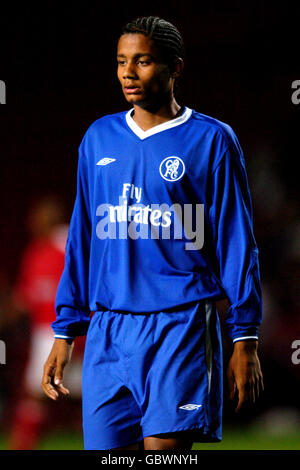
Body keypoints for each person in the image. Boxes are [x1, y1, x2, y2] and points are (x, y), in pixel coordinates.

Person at [42, 16, 264, 451]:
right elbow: (83, 238)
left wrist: (246, 337)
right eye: (122, 61)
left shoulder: (212, 140)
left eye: (142, 61)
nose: (128, 72)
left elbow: (237, 241)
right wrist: (65, 331)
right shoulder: (98, 138)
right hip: (109, 330)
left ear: (175, 68)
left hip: (179, 325)